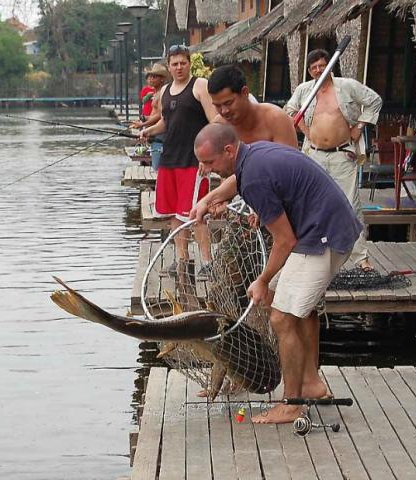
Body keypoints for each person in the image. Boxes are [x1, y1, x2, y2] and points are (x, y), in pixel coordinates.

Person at [190, 123, 362, 424]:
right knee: (288, 304)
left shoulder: (254, 176)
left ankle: (292, 403)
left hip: (323, 235)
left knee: (282, 317)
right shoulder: (252, 155)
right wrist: (208, 200)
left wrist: (262, 279)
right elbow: (237, 181)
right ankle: (311, 383)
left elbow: (285, 240)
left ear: (228, 151)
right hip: (326, 225)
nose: (205, 170)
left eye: (209, 162)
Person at [285, 49, 382, 270]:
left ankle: (361, 257)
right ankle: (312, 253)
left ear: (330, 66)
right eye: (313, 67)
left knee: (350, 205)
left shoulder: (347, 86)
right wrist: (306, 131)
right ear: (309, 71)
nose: (318, 70)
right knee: (312, 204)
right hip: (314, 154)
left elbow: (374, 101)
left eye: (322, 65)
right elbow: (290, 110)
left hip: (342, 154)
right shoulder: (305, 90)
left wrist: (359, 126)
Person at [140, 45, 218, 278]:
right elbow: (166, 122)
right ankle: (183, 259)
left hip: (194, 161)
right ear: (169, 67)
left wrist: (207, 156)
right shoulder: (164, 91)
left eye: (183, 63)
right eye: (174, 64)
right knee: (174, 213)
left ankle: (207, 262)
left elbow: (215, 121)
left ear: (189, 63)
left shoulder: (200, 85)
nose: (179, 67)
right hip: (169, 159)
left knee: (197, 213)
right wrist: (148, 131)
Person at [207, 65, 298, 148]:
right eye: (218, 106)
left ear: (245, 92)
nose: (224, 111)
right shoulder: (219, 127)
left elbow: (290, 160)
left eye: (228, 103)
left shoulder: (276, 120)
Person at [131, 63, 170, 171]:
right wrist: (143, 119)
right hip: (153, 134)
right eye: (150, 77)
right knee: (156, 168)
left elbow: (160, 115)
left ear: (162, 79)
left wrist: (143, 125)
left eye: (154, 77)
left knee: (158, 169)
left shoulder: (162, 93)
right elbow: (154, 114)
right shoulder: (155, 93)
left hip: (160, 136)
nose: (151, 79)